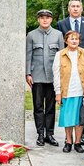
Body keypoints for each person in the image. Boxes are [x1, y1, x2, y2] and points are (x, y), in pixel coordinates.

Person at [25, 9, 64, 147]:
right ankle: (40, 134)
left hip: (53, 77)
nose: (45, 20)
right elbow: (28, 55)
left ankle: (50, 134)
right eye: (42, 17)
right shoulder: (31, 35)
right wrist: (28, 73)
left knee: (51, 107)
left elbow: (61, 57)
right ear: (38, 20)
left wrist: (61, 76)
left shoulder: (58, 35)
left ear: (51, 19)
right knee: (38, 106)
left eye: (47, 17)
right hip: (37, 76)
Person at [52, 30, 84, 153]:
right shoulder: (60, 55)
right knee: (68, 119)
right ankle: (68, 141)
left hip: (82, 91)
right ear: (66, 40)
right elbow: (56, 75)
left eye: (76, 39)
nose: (74, 41)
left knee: (80, 120)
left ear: (79, 41)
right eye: (71, 38)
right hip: (67, 91)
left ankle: (78, 142)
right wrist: (58, 92)